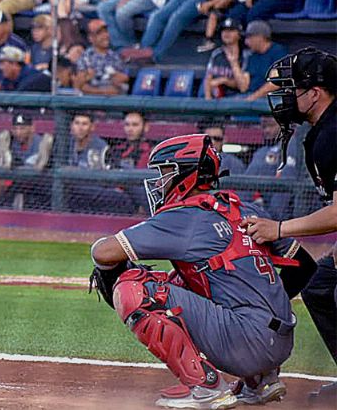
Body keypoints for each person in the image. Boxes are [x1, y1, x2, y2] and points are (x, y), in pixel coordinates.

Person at [90, 133, 318, 409]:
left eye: (165, 173)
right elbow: (305, 267)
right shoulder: (242, 207)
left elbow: (103, 252)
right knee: (189, 279)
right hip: (279, 343)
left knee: (135, 288)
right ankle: (259, 381)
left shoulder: (183, 216)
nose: (160, 182)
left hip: (245, 344)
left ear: (185, 173)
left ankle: (206, 388)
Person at [243, 48, 337, 407]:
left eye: (291, 88)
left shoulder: (334, 133)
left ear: (315, 93)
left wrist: (278, 228)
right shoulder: (321, 130)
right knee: (320, 287)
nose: (281, 96)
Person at [75, 19, 128, 96]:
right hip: (92, 103)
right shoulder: (85, 58)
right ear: (90, 38)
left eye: (106, 31)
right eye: (99, 33)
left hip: (115, 103)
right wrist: (103, 92)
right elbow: (80, 86)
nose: (105, 36)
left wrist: (121, 78)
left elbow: (122, 82)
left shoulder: (115, 56)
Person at [203, 18, 249, 100]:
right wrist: (208, 100)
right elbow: (208, 79)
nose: (226, 33)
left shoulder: (246, 55)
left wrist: (225, 80)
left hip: (236, 98)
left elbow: (242, 87)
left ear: (239, 34)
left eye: (231, 30)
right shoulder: (216, 54)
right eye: (224, 30)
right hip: (215, 98)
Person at [242, 21, 288, 101]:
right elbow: (244, 86)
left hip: (271, 98)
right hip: (250, 96)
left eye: (249, 37)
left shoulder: (278, 52)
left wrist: (253, 97)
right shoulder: (251, 55)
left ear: (260, 37)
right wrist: (233, 62)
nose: (246, 42)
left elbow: (275, 83)